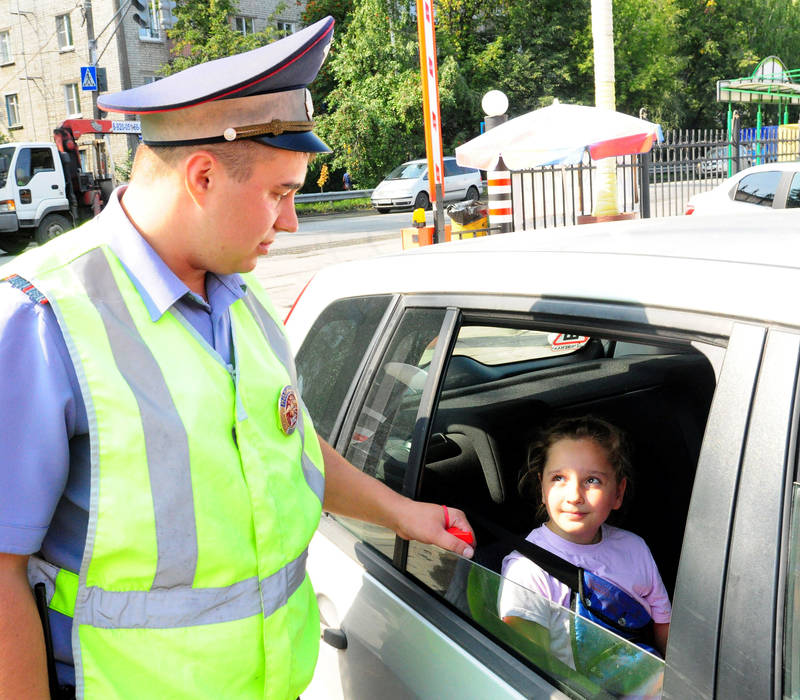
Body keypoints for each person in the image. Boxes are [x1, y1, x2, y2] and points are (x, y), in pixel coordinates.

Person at [0, 17, 473, 700]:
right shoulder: (45, 316)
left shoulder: (241, 298)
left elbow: (289, 444)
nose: (291, 221)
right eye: (281, 194)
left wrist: (401, 512)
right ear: (201, 176)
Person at [498, 415, 671, 666]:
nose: (574, 496)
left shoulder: (634, 548)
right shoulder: (527, 570)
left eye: (592, 480)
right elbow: (533, 668)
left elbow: (663, 625)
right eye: (559, 478)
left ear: (618, 493)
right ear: (542, 488)